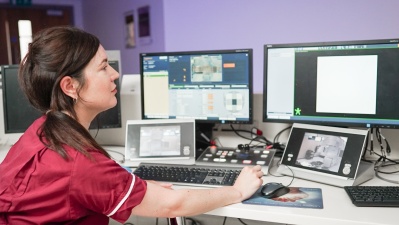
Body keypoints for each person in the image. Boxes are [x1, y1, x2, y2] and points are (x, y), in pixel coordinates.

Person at [0, 26, 264, 224]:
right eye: (104, 67)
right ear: (70, 86)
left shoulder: (40, 130)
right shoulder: (79, 162)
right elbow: (173, 205)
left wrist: (134, 185)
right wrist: (237, 190)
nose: (115, 74)